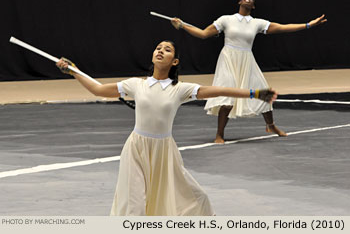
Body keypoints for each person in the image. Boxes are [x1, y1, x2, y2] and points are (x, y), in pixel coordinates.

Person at [56, 40, 277, 216]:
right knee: (133, 203)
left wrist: (253, 93)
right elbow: (98, 90)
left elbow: (217, 90)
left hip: (165, 152)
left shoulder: (180, 89)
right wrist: (74, 71)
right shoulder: (136, 84)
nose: (161, 51)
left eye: (167, 49)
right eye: (158, 48)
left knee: (196, 197)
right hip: (136, 149)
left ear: (175, 61)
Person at [171, 0, 327, 143]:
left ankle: (270, 126)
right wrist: (182, 25)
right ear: (240, 2)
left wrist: (308, 25)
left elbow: (282, 27)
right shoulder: (226, 19)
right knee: (226, 96)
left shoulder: (256, 23)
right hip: (228, 60)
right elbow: (203, 34)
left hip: (247, 60)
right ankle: (219, 134)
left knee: (265, 93)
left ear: (253, 6)